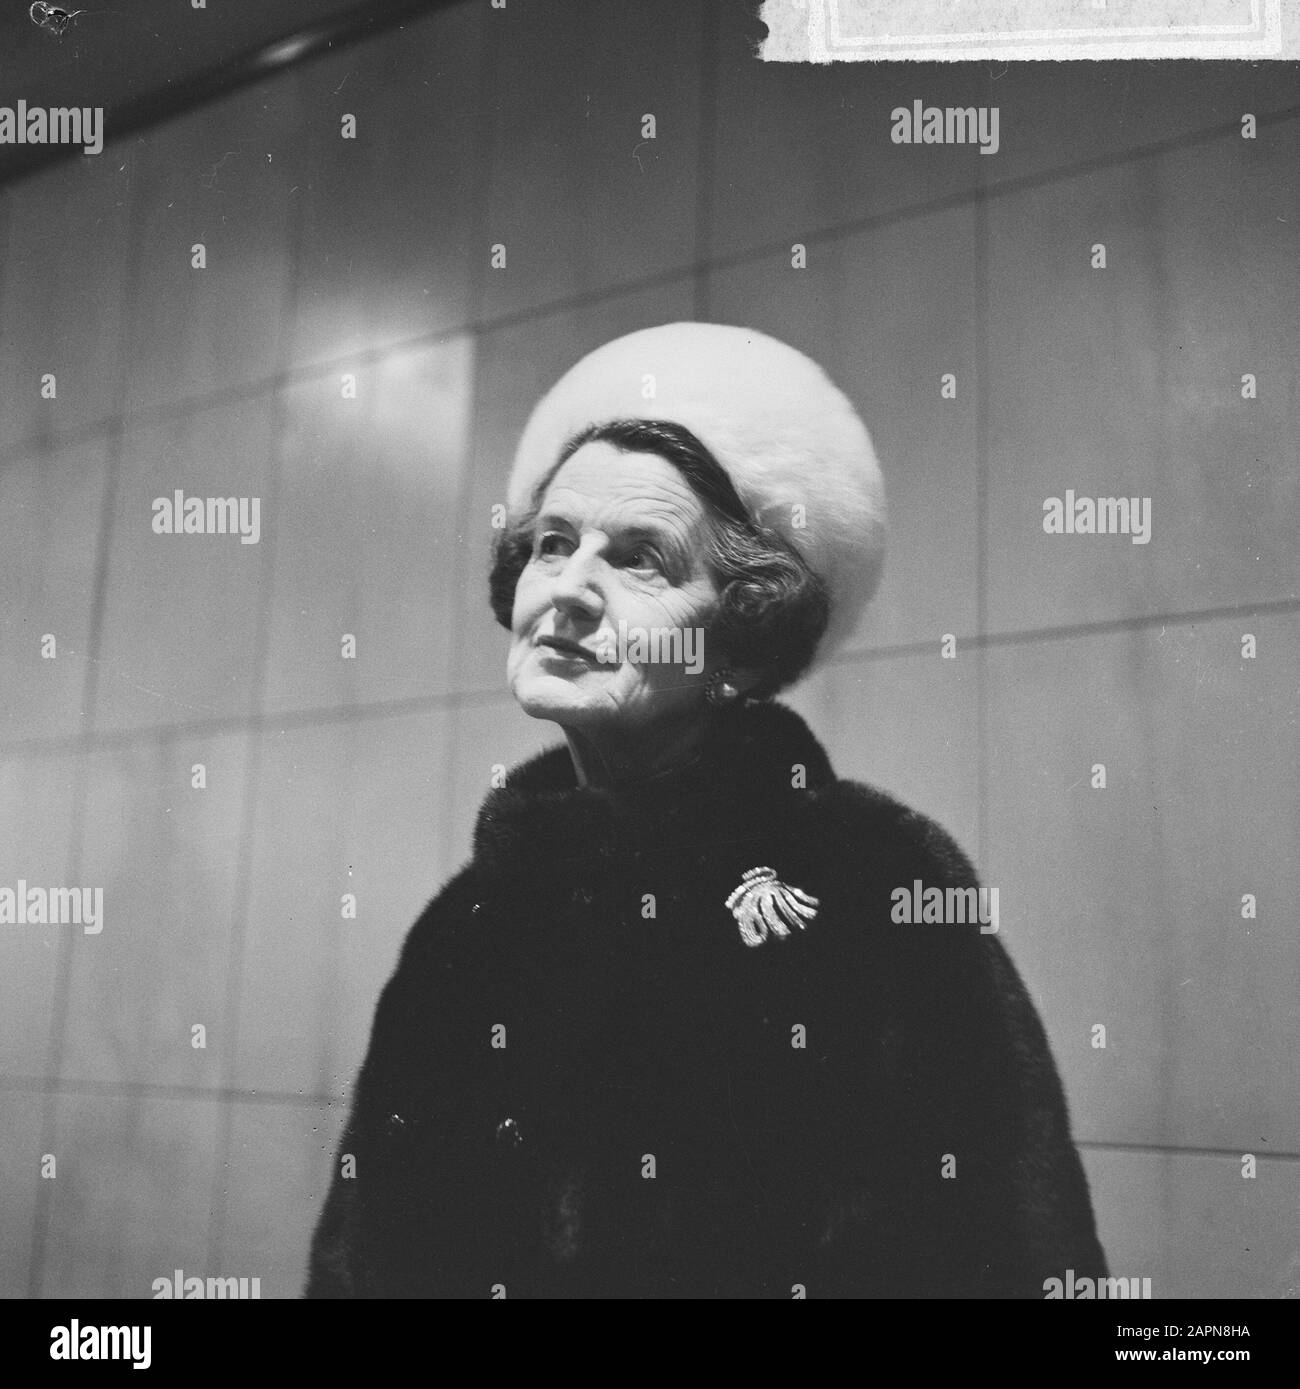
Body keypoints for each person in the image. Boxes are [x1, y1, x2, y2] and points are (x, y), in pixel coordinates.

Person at [306, 322, 1107, 1298]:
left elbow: (1015, 1250)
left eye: (639, 558)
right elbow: (360, 1267)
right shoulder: (465, 929)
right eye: (552, 545)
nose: (568, 590)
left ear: (739, 638)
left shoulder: (870, 883)